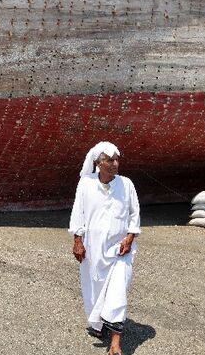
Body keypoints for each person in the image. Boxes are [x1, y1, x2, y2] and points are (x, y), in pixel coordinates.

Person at [69, 142, 141, 355]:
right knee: (94, 289)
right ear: (98, 163)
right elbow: (78, 213)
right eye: (110, 160)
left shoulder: (126, 184)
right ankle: (98, 325)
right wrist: (77, 240)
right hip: (93, 250)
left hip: (121, 250)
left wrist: (129, 238)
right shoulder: (85, 184)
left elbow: (134, 214)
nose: (115, 164)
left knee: (118, 292)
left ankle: (115, 344)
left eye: (117, 159)